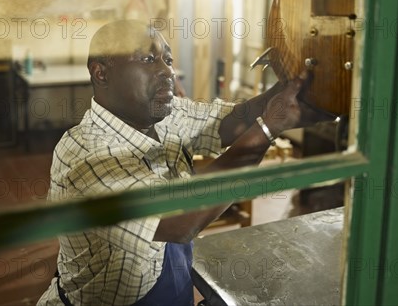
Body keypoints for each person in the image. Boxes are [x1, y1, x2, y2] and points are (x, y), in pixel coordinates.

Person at [38, 19, 331, 306]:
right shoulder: (85, 155)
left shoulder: (162, 116)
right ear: (101, 73)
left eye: (167, 58)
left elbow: (233, 121)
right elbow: (181, 220)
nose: (167, 70)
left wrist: (299, 86)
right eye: (148, 58)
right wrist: (268, 128)